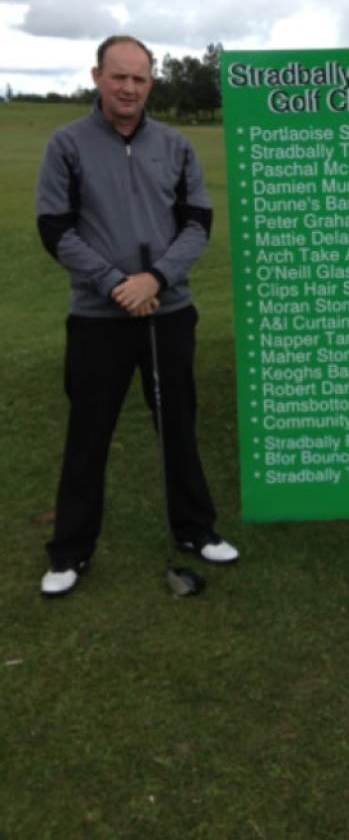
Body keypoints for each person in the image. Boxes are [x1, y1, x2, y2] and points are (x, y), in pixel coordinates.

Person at [36, 35, 238, 597]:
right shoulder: (67, 144)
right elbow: (54, 227)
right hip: (97, 318)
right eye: (119, 76)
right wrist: (115, 283)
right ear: (97, 77)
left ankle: (195, 529)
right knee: (88, 433)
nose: (129, 88)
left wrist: (156, 279)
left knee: (178, 424)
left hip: (168, 311)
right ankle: (70, 551)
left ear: (151, 83)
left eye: (139, 78)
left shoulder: (175, 145)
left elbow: (197, 222)